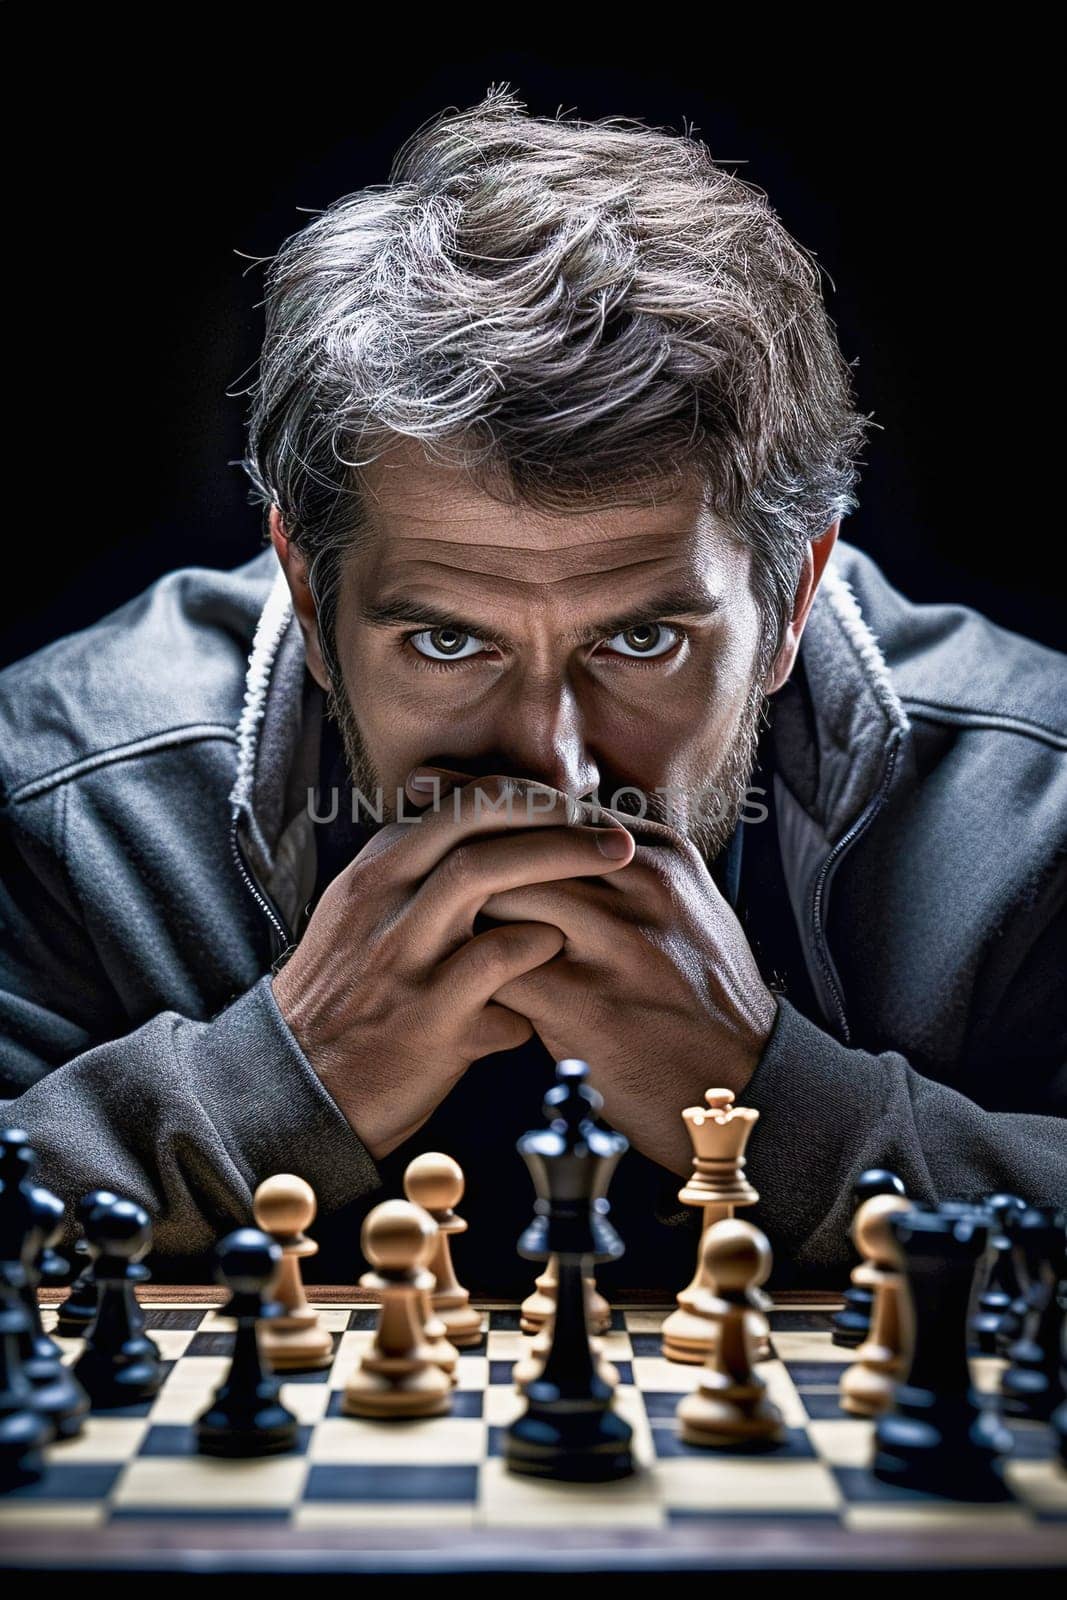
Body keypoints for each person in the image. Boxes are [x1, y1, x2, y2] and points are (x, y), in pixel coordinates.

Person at [1, 91, 1064, 1292]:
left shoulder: (1037, 803)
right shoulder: (60, 794)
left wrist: (786, 1105)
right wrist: (267, 1085)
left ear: (792, 597)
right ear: (304, 589)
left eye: (643, 640)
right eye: (449, 645)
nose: (553, 767)